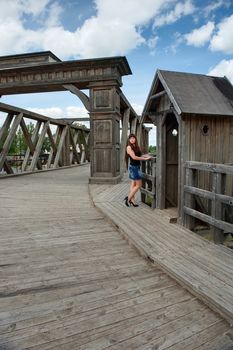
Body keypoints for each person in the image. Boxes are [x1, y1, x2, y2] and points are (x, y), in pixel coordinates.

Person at [124, 133, 151, 207]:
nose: (132, 139)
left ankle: (132, 200)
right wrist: (145, 159)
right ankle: (128, 198)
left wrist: (146, 155)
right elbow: (134, 157)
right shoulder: (129, 147)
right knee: (139, 185)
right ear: (129, 140)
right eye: (131, 138)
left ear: (135, 139)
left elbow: (139, 155)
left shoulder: (135, 146)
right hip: (134, 168)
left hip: (136, 167)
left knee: (133, 184)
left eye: (133, 138)